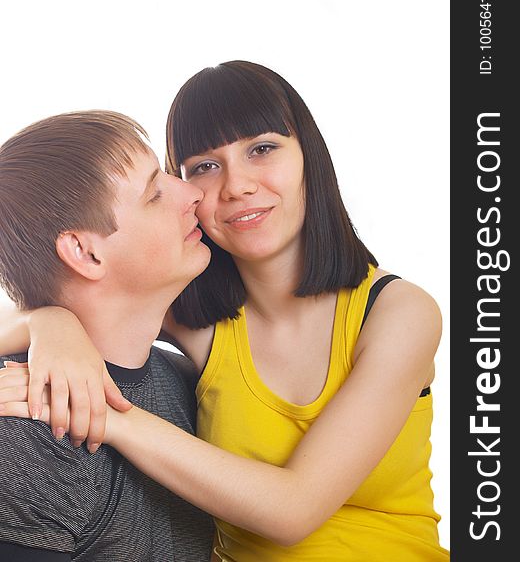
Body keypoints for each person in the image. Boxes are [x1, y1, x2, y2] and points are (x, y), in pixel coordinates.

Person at [0, 61, 450, 561]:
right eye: (204, 167)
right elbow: (90, 298)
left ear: (309, 155)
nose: (235, 186)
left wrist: (114, 420)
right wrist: (48, 323)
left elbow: (294, 509)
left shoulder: (398, 312)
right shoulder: (195, 320)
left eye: (262, 149)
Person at [0, 111, 215, 561]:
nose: (194, 193)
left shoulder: (181, 379)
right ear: (85, 252)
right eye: (155, 194)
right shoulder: (26, 428)